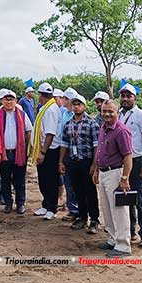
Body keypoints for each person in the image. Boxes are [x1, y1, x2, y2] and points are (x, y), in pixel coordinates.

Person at [93, 100, 134, 257]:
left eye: (111, 111)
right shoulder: (103, 128)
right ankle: (113, 239)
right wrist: (96, 169)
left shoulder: (121, 131)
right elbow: (100, 151)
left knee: (119, 210)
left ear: (117, 112)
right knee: (107, 209)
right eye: (104, 111)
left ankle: (123, 246)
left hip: (116, 173)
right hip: (104, 173)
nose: (107, 114)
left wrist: (125, 178)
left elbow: (128, 156)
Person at [59, 94, 100, 233]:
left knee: (90, 191)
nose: (76, 107)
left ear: (84, 106)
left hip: (87, 162)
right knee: (78, 191)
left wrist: (95, 165)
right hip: (73, 162)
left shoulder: (91, 123)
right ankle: (82, 217)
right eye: (74, 104)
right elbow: (64, 144)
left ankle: (94, 220)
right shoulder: (68, 124)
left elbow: (96, 146)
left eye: (79, 104)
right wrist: (61, 161)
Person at [118, 84, 142, 247]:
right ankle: (130, 231)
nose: (125, 99)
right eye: (123, 96)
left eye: (128, 96)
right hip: (121, 162)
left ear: (135, 98)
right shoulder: (117, 114)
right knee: (126, 198)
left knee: (141, 199)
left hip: (138, 161)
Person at [0, 89, 32, 214]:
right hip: (4, 153)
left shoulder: (22, 115)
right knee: (5, 180)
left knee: (20, 180)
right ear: (2, 101)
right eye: (6, 99)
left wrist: (26, 148)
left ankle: (20, 203)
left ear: (16, 101)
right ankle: (8, 203)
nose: (9, 102)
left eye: (11, 99)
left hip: (18, 153)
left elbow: (28, 131)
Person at [29, 82, 61, 220]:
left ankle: (52, 208)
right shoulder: (45, 108)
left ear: (40, 95)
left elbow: (50, 133)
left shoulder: (51, 109)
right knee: (43, 179)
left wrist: (42, 152)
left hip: (50, 150)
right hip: (44, 149)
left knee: (50, 180)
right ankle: (46, 204)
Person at [58, 87, 79, 221]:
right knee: (68, 182)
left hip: (77, 153)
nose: (63, 101)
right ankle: (72, 209)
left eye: (65, 99)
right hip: (65, 150)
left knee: (78, 183)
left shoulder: (77, 115)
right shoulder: (63, 112)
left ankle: (79, 210)